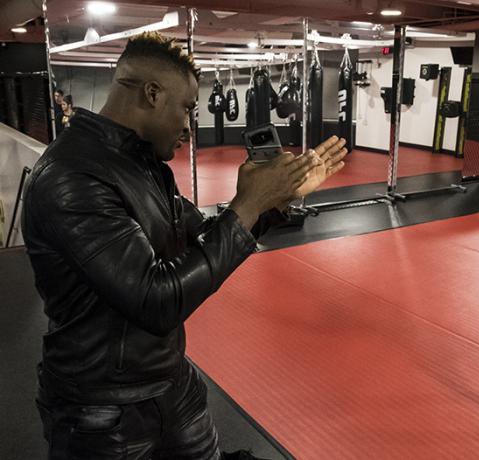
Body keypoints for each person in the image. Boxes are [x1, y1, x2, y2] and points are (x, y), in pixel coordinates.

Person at [22, 32, 347, 459]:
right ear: (152, 94)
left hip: (174, 385)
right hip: (102, 410)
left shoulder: (145, 164)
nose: (188, 125)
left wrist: (270, 201)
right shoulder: (71, 177)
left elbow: (202, 234)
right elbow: (155, 299)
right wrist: (248, 206)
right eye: (187, 108)